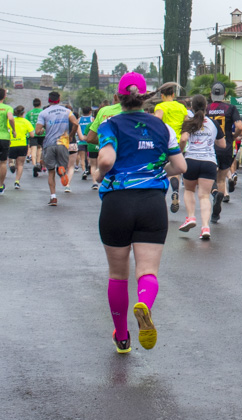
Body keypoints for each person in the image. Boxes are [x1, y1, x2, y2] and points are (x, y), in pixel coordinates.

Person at [96, 72, 186, 354]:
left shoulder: (110, 124)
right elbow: (180, 166)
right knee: (147, 271)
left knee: (117, 274)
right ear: (146, 98)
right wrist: (158, 172)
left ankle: (122, 337)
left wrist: (100, 173)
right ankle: (144, 304)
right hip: (151, 203)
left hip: (117, 204)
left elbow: (107, 159)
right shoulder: (162, 128)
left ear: (118, 99)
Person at [178, 95, 226, 239]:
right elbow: (222, 144)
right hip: (209, 162)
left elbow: (184, 139)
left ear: (191, 107)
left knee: (189, 190)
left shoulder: (188, 122)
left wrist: (180, 151)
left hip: (191, 160)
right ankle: (205, 227)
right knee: (205, 196)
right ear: (206, 107)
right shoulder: (213, 124)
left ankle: (191, 217)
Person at [35, 91, 84, 206]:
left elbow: (37, 131)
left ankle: (53, 197)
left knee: (50, 172)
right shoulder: (67, 111)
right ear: (59, 99)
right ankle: (61, 170)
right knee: (63, 166)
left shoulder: (44, 113)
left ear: (49, 100)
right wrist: (71, 135)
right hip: (63, 143)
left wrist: (42, 130)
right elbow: (76, 124)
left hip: (49, 145)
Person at [208, 82, 242, 222]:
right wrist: (234, 136)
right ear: (224, 94)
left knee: (210, 176)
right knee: (221, 178)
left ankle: (215, 195)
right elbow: (239, 126)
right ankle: (217, 212)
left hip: (210, 146)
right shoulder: (231, 108)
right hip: (226, 146)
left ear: (211, 94)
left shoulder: (207, 108)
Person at [154, 83, 189, 213]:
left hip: (163, 142)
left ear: (162, 95)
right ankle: (175, 192)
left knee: (162, 169)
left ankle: (161, 197)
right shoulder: (181, 107)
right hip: (179, 142)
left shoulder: (160, 106)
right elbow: (186, 123)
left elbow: (157, 120)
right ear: (173, 94)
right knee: (176, 169)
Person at [86, 94, 123, 190]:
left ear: (115, 97)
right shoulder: (142, 115)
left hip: (110, 165)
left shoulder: (104, 111)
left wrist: (108, 143)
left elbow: (89, 138)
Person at [8, 105, 35, 189]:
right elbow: (32, 135)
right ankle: (17, 181)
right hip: (22, 144)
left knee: (11, 160)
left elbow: (6, 130)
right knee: (20, 164)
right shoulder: (26, 122)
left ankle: (11, 164)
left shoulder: (10, 121)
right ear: (23, 113)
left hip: (12, 144)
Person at [25, 98, 44, 176]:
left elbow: (26, 123)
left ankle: (34, 164)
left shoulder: (29, 113)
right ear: (40, 104)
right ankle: (39, 162)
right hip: (42, 133)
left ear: (33, 104)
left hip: (32, 133)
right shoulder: (43, 112)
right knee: (40, 148)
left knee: (33, 148)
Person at [77, 106, 94, 179]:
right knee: (89, 157)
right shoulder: (92, 119)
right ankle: (89, 167)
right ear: (90, 112)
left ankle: (84, 171)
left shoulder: (79, 120)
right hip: (90, 141)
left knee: (82, 158)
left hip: (81, 141)